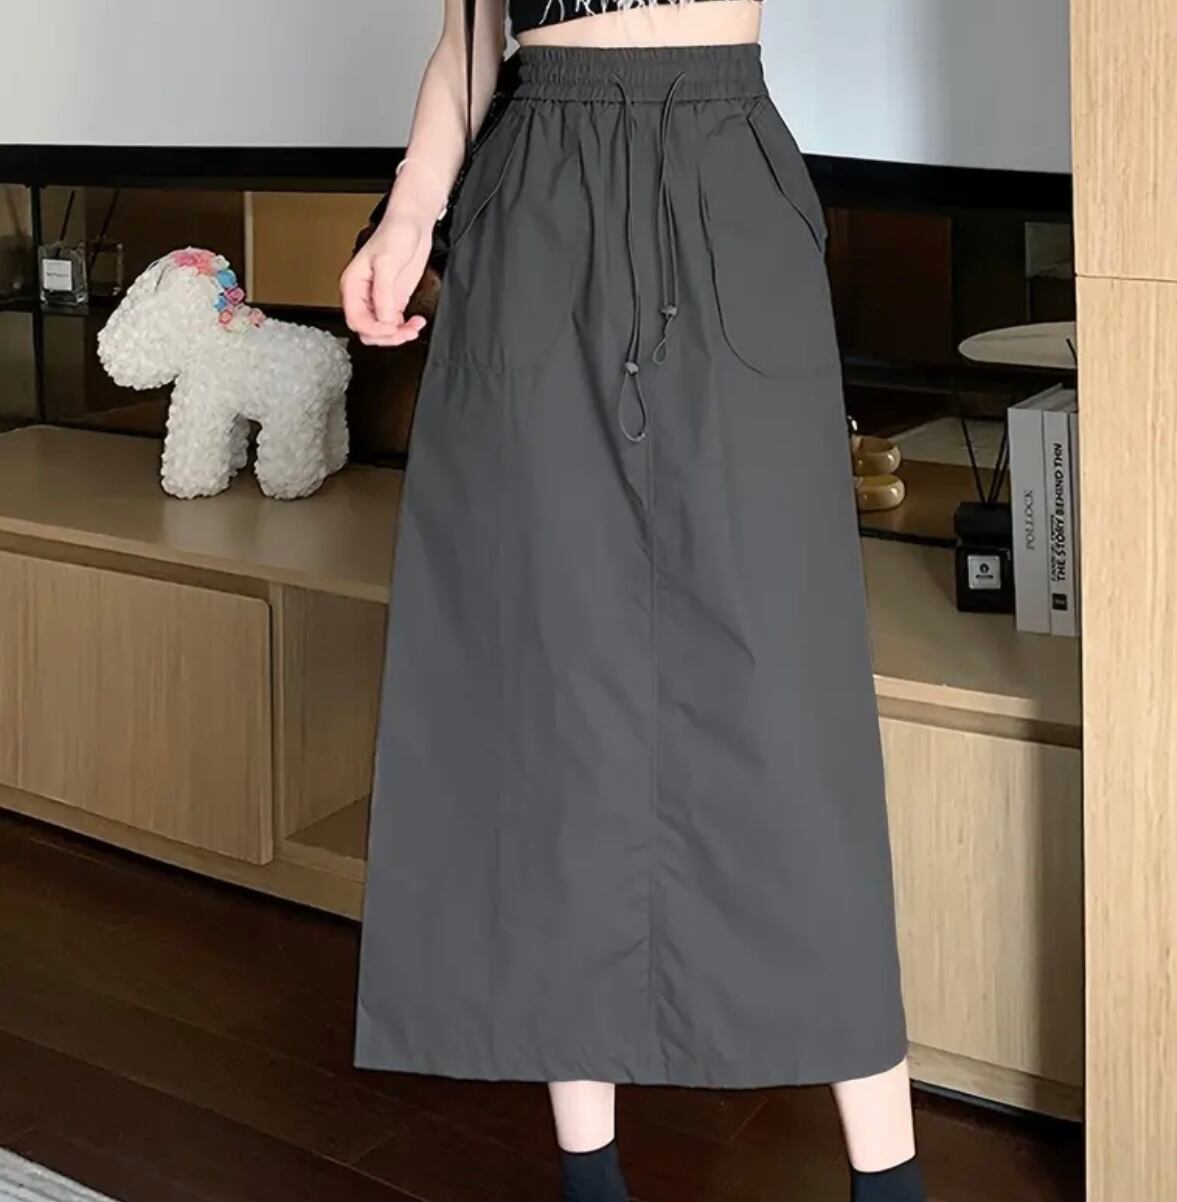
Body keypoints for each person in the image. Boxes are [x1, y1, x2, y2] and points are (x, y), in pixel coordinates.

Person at [341, 2, 925, 1200]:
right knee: (554, 679)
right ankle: (589, 1173)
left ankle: (888, 1177)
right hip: (536, 184)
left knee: (784, 701)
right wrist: (409, 213)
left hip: (720, 165)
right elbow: (471, 36)